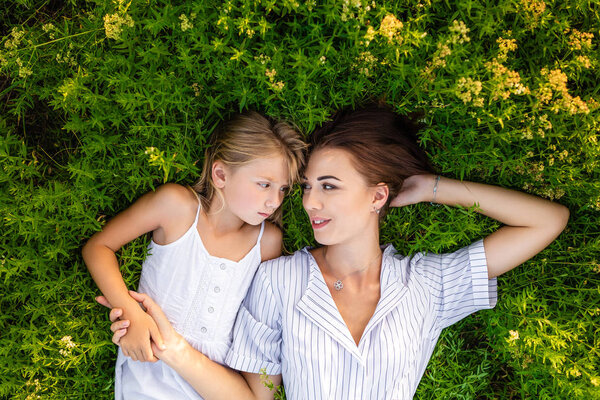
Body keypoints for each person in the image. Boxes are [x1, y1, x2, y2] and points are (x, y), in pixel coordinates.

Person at [99, 104, 569, 399]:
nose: (307, 202)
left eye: (328, 186)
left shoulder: (427, 286)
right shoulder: (276, 279)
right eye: (305, 187)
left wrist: (433, 188)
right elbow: (254, 398)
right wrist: (173, 348)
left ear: (378, 196)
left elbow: (547, 221)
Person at [82, 111, 306, 399]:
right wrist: (128, 310)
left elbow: (258, 319)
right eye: (264, 184)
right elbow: (98, 248)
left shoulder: (267, 242)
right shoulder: (177, 207)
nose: (274, 201)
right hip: (148, 373)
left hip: (211, 383)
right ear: (221, 174)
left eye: (283, 189)